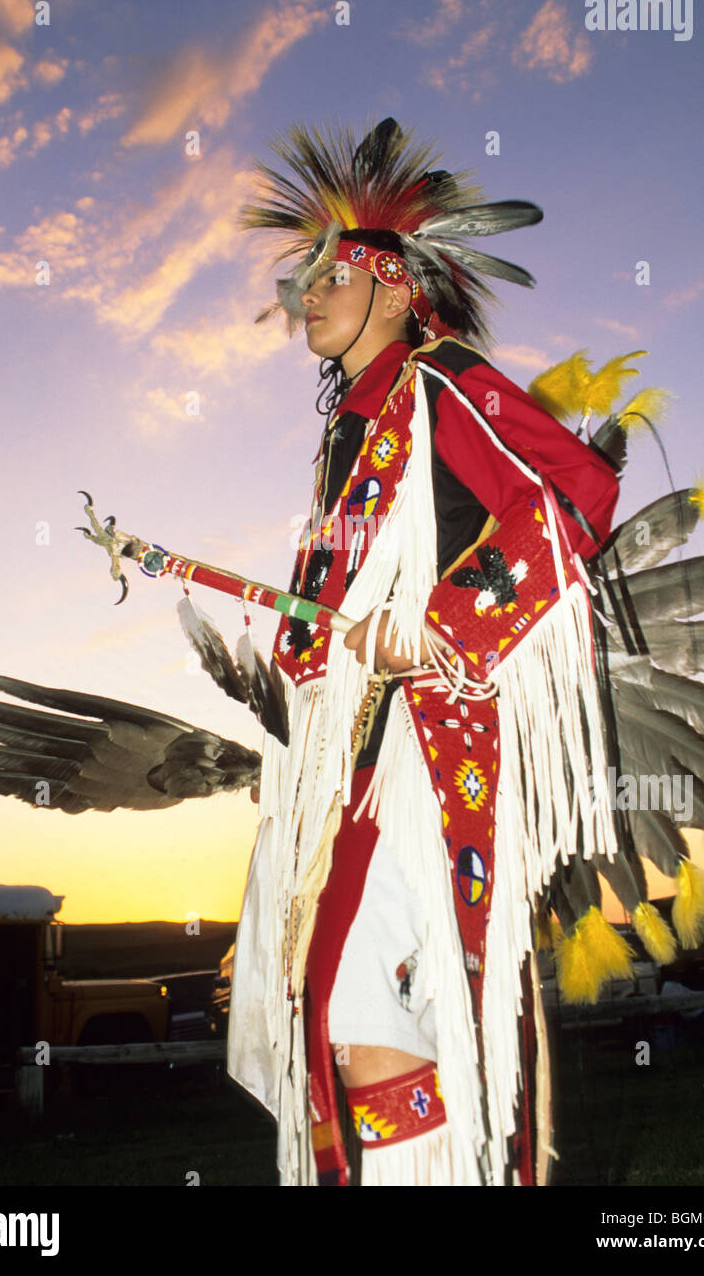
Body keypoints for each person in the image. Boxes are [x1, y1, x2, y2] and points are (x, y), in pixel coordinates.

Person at [229, 120, 622, 1186]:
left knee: (380, 1013)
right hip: (340, 767)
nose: (303, 293)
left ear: (397, 291)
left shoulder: (443, 383)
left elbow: (574, 497)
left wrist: (438, 621)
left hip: (420, 761)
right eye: (297, 277)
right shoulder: (347, 443)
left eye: (330, 273)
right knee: (348, 1024)